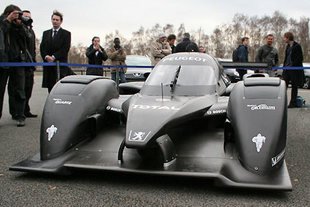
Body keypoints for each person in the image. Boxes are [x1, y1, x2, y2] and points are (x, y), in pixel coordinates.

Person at [0, 5, 33, 126]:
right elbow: (2, 31)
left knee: (19, 89)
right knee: (0, 90)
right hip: (3, 60)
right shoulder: (2, 22)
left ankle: (19, 114)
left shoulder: (19, 25)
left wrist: (20, 25)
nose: (17, 16)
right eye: (15, 14)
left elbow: (28, 38)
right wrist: (8, 20)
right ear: (8, 13)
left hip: (18, 60)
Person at [40, 10, 72, 92]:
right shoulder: (45, 33)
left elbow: (65, 49)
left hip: (60, 66)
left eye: (57, 20)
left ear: (61, 21)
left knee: (60, 90)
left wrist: (54, 57)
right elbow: (42, 47)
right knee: (50, 90)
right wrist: (46, 56)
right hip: (48, 66)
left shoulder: (66, 34)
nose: (55, 21)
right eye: (53, 19)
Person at [283, 32, 304, 108]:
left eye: (284, 37)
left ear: (288, 38)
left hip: (294, 70)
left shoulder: (297, 46)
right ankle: (282, 102)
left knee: (294, 86)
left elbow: (300, 58)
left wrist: (293, 65)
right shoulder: (287, 46)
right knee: (283, 86)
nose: (284, 39)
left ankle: (293, 103)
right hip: (286, 69)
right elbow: (286, 57)